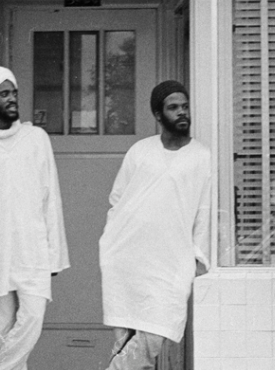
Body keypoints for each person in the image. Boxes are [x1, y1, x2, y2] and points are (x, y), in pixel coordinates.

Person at [0, 67, 70, 370]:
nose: (12, 98)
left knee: (32, 318)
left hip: (33, 249)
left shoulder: (36, 138)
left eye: (13, 92)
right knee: (1, 332)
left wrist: (54, 254)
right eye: (4, 94)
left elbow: (51, 198)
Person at [99, 80, 211, 370]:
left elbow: (205, 210)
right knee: (126, 339)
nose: (182, 112)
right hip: (129, 259)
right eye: (173, 107)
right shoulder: (140, 151)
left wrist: (197, 257)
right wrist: (111, 243)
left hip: (172, 262)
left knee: (152, 337)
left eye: (185, 106)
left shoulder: (202, 156)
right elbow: (117, 200)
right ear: (158, 115)